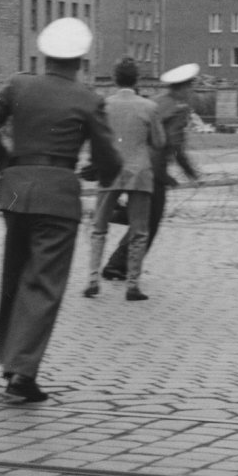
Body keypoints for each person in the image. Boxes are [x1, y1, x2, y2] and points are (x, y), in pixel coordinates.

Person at [0, 17, 121, 402]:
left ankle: (8, 359)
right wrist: (95, 171)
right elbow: (109, 160)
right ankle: (22, 374)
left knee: (14, 276)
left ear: (45, 54)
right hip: (57, 196)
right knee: (43, 285)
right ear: (81, 59)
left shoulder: (19, 84)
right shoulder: (88, 98)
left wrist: (2, 158)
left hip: (15, 194)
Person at [101, 62, 201, 281]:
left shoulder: (157, 102)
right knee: (149, 222)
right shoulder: (178, 109)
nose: (191, 91)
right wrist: (185, 173)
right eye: (190, 86)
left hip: (130, 165)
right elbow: (173, 145)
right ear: (182, 88)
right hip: (152, 171)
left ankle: (117, 253)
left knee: (142, 217)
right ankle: (118, 265)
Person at [84, 57, 166, 301]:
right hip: (139, 171)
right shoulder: (149, 107)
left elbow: (95, 140)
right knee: (139, 230)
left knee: (99, 228)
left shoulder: (103, 105)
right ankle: (132, 284)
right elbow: (160, 142)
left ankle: (92, 280)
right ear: (137, 79)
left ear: (113, 79)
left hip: (110, 171)